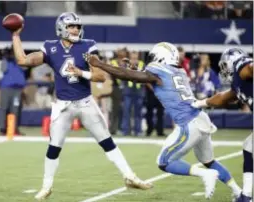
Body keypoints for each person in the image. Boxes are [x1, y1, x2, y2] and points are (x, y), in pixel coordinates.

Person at [10, 12, 152, 201]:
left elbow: (100, 76)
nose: (76, 29)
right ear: (62, 27)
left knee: (107, 142)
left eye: (77, 26)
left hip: (86, 103)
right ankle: (46, 186)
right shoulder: (50, 48)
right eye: (72, 26)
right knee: (53, 147)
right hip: (63, 106)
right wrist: (15, 35)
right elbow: (22, 60)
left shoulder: (87, 45)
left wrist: (81, 73)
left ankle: (130, 176)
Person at [82, 42, 242, 200]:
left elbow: (130, 76)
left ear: (161, 56)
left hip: (188, 123)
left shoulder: (157, 70)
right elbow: (150, 79)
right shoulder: (179, 71)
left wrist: (100, 64)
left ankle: (205, 174)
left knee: (164, 162)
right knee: (209, 161)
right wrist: (136, 70)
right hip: (201, 118)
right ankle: (238, 192)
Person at [192, 48, 253, 202]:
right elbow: (222, 98)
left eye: (225, 65)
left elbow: (251, 68)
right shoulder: (237, 84)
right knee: (248, 146)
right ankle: (245, 196)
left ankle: (246, 197)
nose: (224, 70)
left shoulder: (242, 68)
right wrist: (198, 103)